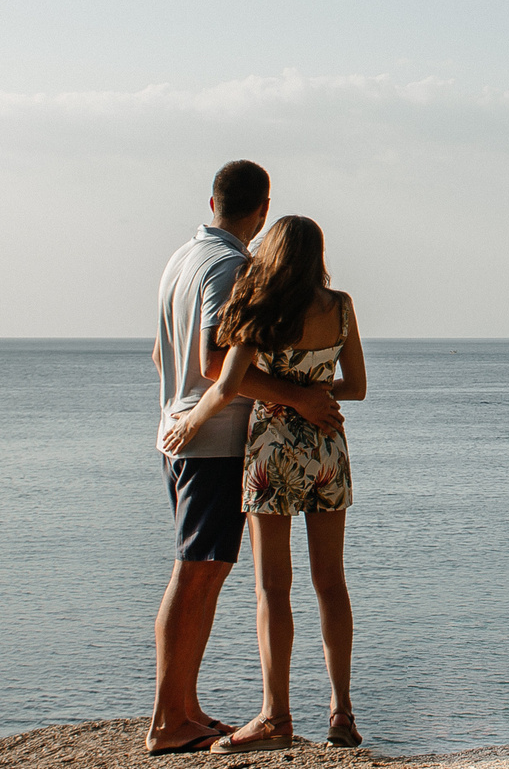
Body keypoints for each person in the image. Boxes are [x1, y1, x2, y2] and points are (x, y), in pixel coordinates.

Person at [147, 162, 345, 756]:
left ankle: (183, 707)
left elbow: (162, 354)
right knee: (200, 569)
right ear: (262, 209)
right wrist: (302, 397)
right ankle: (167, 720)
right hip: (213, 443)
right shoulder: (233, 267)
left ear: (212, 201)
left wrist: (183, 409)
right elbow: (216, 365)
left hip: (178, 428)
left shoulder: (180, 260)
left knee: (203, 568)